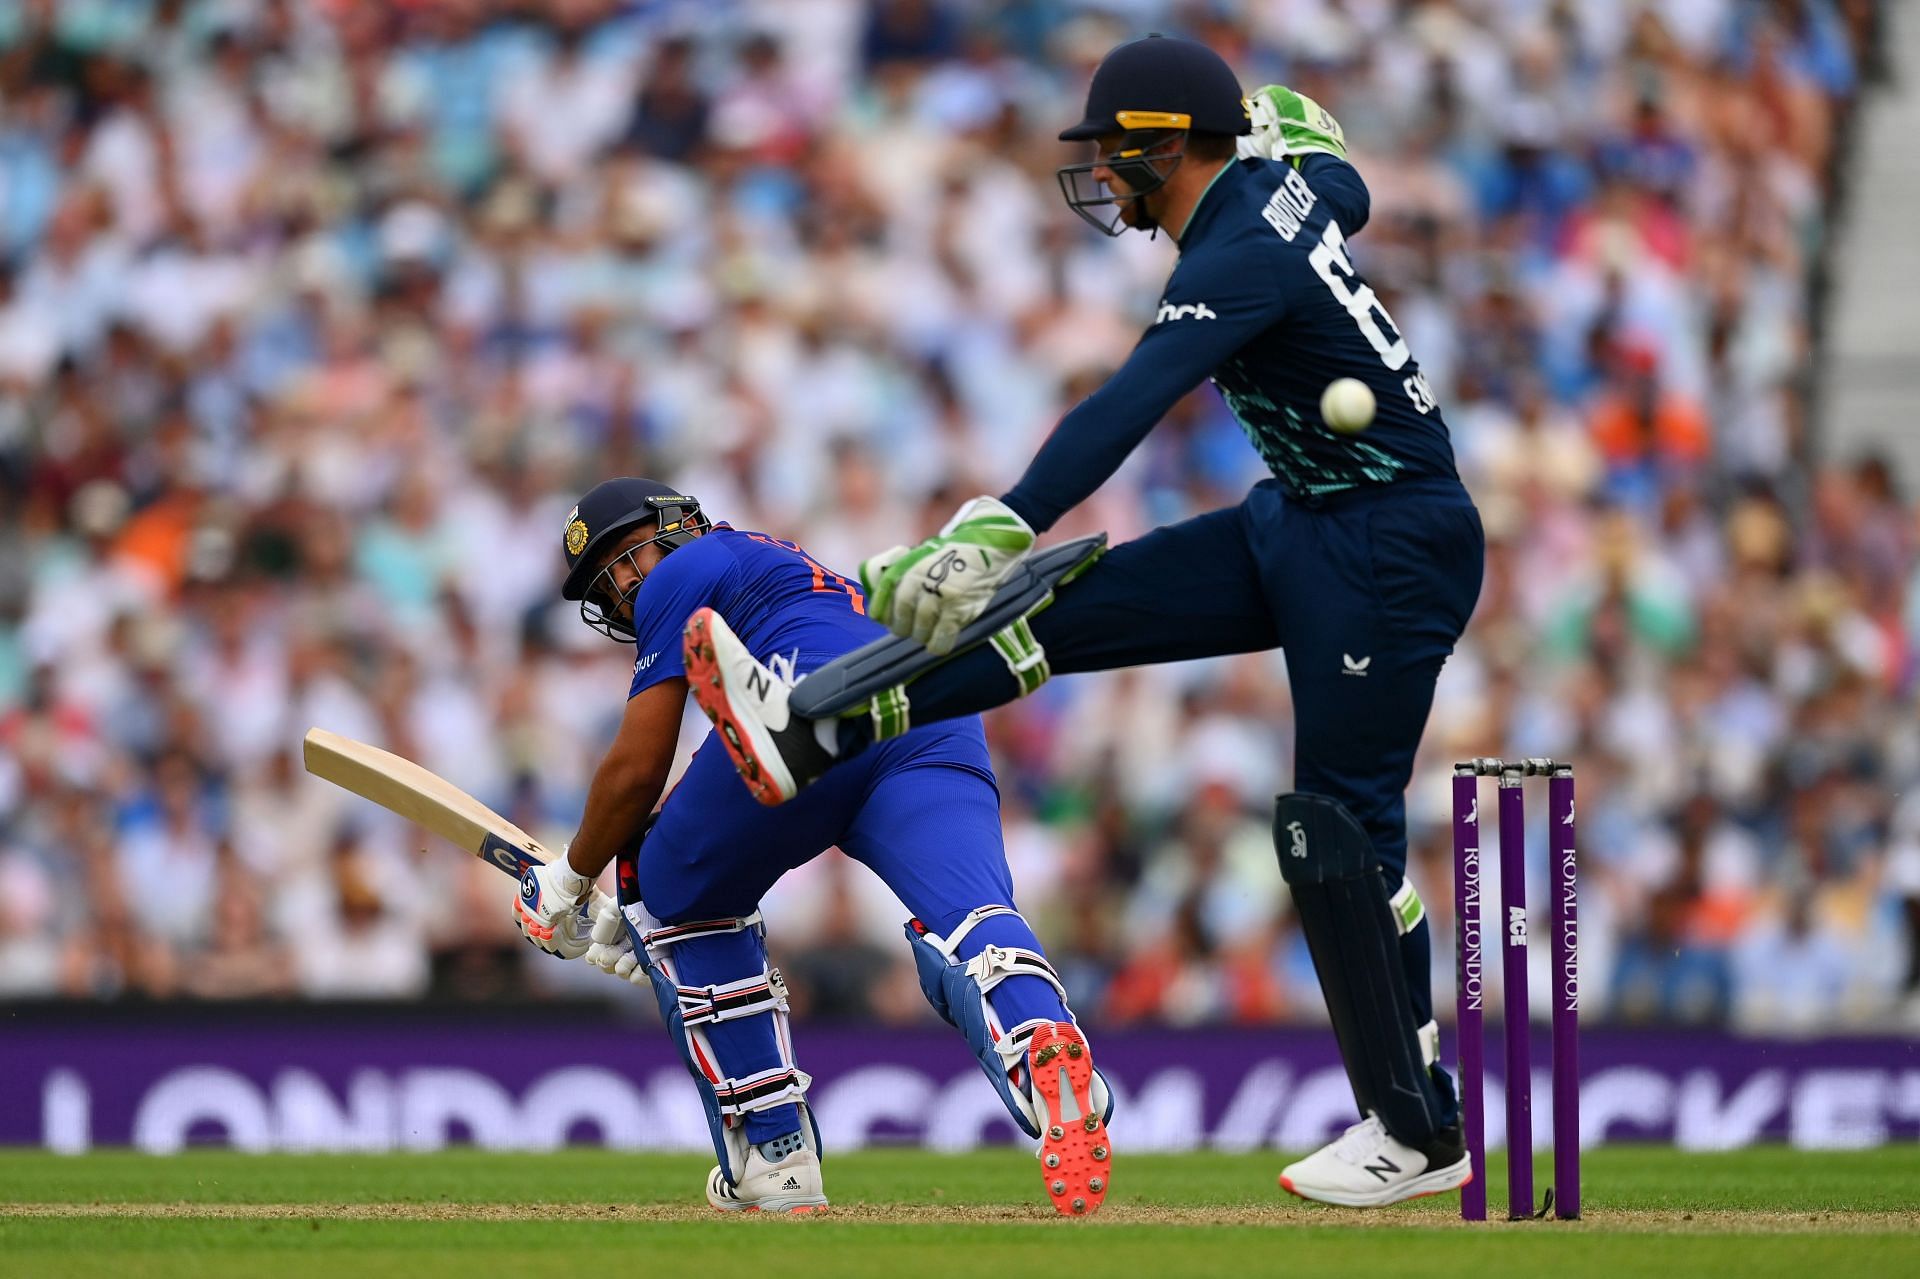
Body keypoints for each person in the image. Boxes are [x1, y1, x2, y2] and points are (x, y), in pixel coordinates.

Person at [683, 36, 1484, 1208]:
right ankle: (815, 724)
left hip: (1388, 545)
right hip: (1309, 517)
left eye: (1115, 152)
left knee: (1337, 829)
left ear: (1167, 147)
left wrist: (999, 518)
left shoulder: (1244, 249)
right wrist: (1289, 128)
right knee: (1054, 614)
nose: (1103, 175)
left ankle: (1416, 1132)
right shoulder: (1289, 187)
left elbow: (1130, 402)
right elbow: (1335, 165)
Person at [510, 477, 1114, 1216]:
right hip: (934, 707)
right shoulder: (782, 564)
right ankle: (1037, 1035)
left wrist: (572, 882)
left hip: (807, 717)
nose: (629, 582)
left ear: (681, 525)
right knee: (975, 914)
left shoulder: (686, 569)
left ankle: (775, 1155)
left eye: (629, 554)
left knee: (658, 879)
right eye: (609, 579)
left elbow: (638, 769)